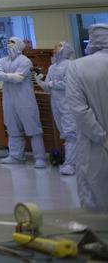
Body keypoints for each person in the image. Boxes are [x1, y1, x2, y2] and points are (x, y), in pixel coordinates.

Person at [64, 24, 108, 209]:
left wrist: (102, 137)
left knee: (93, 202)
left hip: (94, 145)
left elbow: (79, 110)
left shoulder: (77, 67)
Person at [0, 36, 46, 167]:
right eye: (8, 43)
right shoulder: (2, 60)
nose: (8, 45)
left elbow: (19, 78)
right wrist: (11, 76)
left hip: (25, 99)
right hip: (8, 98)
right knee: (12, 127)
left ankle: (40, 158)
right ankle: (16, 156)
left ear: (18, 45)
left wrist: (5, 76)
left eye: (11, 43)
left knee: (33, 127)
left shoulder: (25, 61)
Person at [36, 42, 77, 176]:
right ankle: (70, 161)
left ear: (65, 50)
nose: (55, 49)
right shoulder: (52, 67)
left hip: (68, 103)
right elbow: (48, 87)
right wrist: (40, 82)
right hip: (56, 103)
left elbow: (68, 83)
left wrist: (52, 84)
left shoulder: (70, 65)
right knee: (64, 132)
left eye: (58, 46)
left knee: (71, 133)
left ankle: (71, 164)